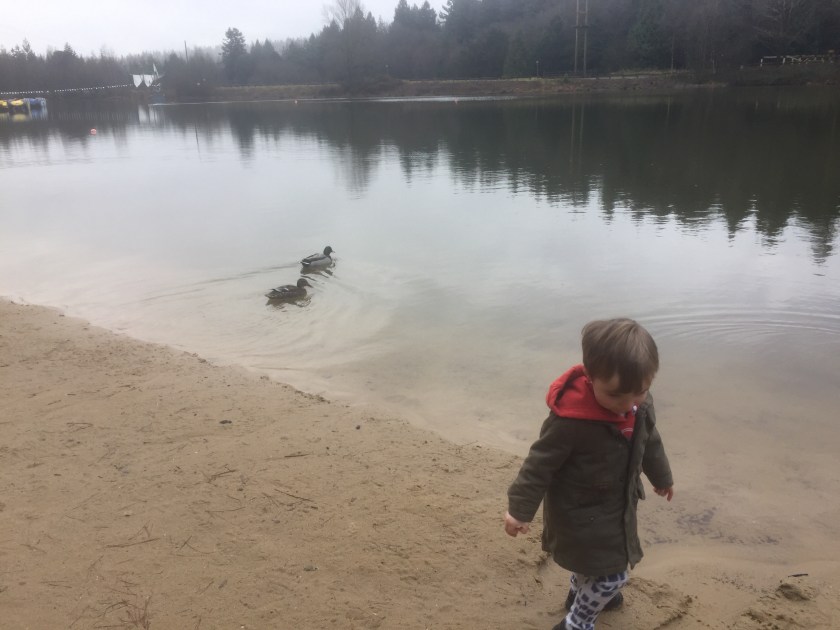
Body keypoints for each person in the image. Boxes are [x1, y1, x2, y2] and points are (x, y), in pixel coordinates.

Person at [504, 318, 674, 630]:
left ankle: (579, 596)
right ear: (589, 376)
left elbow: (650, 441)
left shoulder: (640, 405)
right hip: (579, 511)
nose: (626, 405)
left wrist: (661, 477)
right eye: (614, 395)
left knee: (600, 565)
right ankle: (577, 622)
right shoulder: (570, 422)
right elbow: (538, 465)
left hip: (617, 505)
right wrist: (519, 510)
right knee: (614, 574)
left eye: (640, 391)